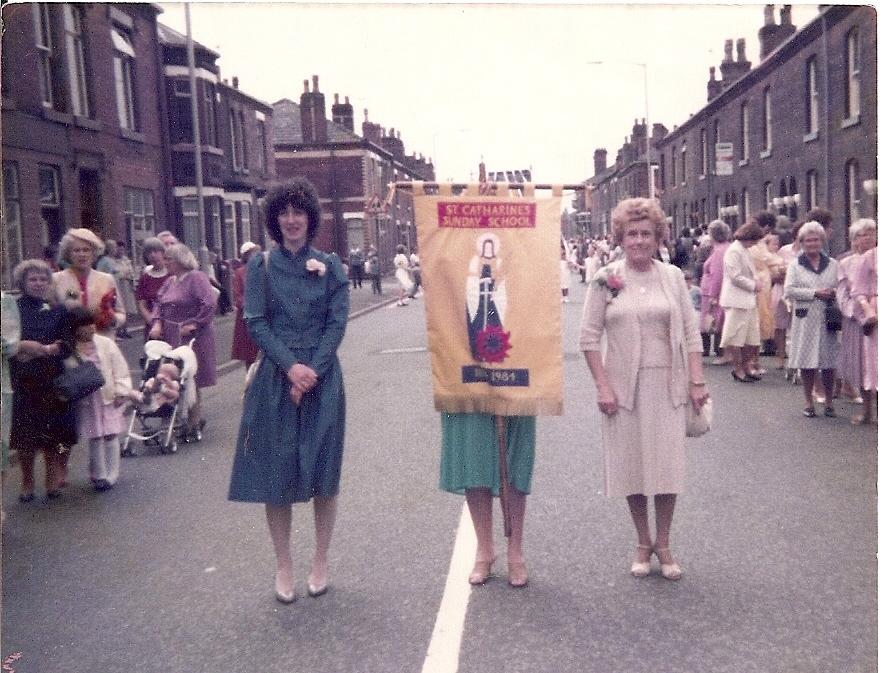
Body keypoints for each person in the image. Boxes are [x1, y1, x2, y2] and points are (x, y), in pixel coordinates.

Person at [228, 178, 349, 604]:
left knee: (323, 474)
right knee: (276, 475)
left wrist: (311, 371)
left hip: (321, 380)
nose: (292, 220)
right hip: (276, 382)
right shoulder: (260, 268)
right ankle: (284, 565)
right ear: (275, 219)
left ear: (310, 219)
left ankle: (320, 560)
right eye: (284, 212)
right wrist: (291, 367)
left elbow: (336, 323)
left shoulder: (330, 266)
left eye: (299, 212)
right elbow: (256, 322)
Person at [581, 197, 707, 581]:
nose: (638, 241)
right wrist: (603, 386)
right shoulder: (606, 278)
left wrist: (696, 379)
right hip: (622, 389)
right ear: (620, 237)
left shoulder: (671, 276)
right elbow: (588, 338)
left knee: (666, 467)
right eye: (632, 234)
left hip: (669, 383)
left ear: (657, 238)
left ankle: (664, 544)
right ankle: (642, 541)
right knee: (632, 467)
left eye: (646, 234)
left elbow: (691, 331)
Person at [8, 260, 78, 501]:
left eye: (43, 279)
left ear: (49, 282)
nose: (38, 284)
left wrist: (53, 348)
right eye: (32, 279)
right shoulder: (12, 308)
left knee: (52, 434)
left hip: (52, 378)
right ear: (23, 283)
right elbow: (6, 342)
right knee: (24, 435)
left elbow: (69, 345)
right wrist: (23, 347)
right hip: (23, 379)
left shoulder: (59, 309)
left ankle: (51, 479)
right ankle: (27, 480)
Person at [148, 243, 217, 440]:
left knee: (190, 376)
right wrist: (156, 323)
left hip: (193, 335)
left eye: (169, 259)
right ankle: (177, 418)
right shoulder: (170, 281)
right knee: (170, 374)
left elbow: (209, 302)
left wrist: (195, 323)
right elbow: (159, 304)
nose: (165, 262)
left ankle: (194, 421)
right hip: (170, 333)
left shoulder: (196, 277)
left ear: (180, 260)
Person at [64, 307, 133, 491]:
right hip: (88, 400)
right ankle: (99, 474)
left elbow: (120, 368)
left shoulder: (105, 344)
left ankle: (112, 474)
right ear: (75, 328)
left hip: (108, 397)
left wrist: (122, 391)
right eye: (84, 326)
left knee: (110, 434)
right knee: (95, 436)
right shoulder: (70, 348)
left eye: (91, 324)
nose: (90, 329)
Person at [783, 221, 840, 418]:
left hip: (826, 318)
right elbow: (789, 290)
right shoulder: (795, 265)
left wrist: (833, 293)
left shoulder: (833, 264)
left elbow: (840, 287)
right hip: (805, 318)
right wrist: (814, 292)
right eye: (808, 241)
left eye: (816, 240)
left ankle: (829, 401)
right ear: (801, 243)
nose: (812, 244)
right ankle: (808, 401)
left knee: (828, 361)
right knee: (807, 361)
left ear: (822, 241)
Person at [837, 219, 877, 422]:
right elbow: (843, 294)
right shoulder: (846, 263)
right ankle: (867, 410)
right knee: (863, 365)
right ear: (853, 240)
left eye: (872, 233)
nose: (869, 238)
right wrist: (856, 313)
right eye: (863, 235)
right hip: (856, 320)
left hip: (876, 314)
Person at [53, 228, 126, 338]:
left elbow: (120, 312)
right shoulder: (56, 279)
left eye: (86, 250)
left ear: (94, 253)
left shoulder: (107, 279)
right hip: (69, 345)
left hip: (102, 343)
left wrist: (113, 319)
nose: (82, 254)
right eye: (76, 250)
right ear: (68, 254)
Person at [720, 222, 765, 383]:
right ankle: (738, 369)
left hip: (748, 300)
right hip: (736, 300)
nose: (755, 244)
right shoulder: (734, 251)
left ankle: (746, 367)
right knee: (736, 337)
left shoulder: (744, 250)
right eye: (755, 240)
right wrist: (754, 285)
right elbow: (735, 276)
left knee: (750, 338)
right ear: (748, 237)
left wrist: (756, 282)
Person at [850, 244, 877, 424]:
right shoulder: (871, 256)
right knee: (875, 363)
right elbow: (858, 290)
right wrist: (868, 310)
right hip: (877, 313)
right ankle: (870, 412)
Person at [699, 220, 731, 363]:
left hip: (712, 292)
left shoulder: (718, 251)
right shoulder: (725, 248)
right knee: (720, 322)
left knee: (714, 322)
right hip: (718, 291)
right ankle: (721, 351)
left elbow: (717, 275)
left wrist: (713, 295)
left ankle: (723, 353)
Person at [231, 241, 261, 369]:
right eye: (253, 254)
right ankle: (250, 381)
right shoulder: (240, 272)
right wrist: (250, 306)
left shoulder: (263, 270)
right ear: (247, 256)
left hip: (262, 314)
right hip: (246, 317)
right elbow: (238, 295)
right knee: (249, 353)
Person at [135, 237, 171, 342]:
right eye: (149, 252)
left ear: (163, 252)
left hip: (173, 325)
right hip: (152, 328)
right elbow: (142, 305)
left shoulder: (172, 274)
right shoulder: (145, 278)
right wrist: (154, 322)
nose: (152, 255)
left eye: (156, 251)